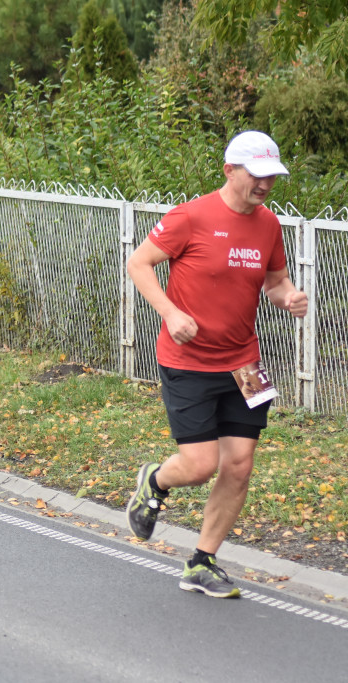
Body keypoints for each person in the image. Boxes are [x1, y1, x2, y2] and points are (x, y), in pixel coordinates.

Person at [125, 130, 308, 599]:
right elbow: (139, 263)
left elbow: (274, 281)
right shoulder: (191, 216)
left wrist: (287, 296)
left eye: (272, 176)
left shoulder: (268, 224)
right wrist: (170, 312)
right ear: (230, 170)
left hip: (245, 363)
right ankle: (155, 479)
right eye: (257, 175)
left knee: (240, 466)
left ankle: (202, 561)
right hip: (187, 361)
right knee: (201, 464)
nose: (265, 185)